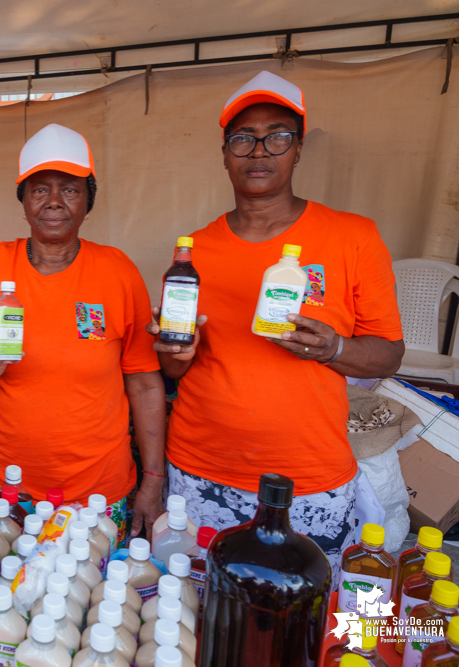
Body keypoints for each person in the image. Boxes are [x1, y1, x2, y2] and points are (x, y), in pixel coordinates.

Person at [147, 71, 404, 568]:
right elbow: (176, 371)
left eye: (277, 136)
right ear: (225, 155)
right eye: (243, 139)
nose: (259, 151)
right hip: (201, 469)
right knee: (201, 611)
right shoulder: (194, 250)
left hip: (309, 477)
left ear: (299, 148)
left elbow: (388, 353)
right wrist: (176, 354)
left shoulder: (353, 237)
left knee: (299, 624)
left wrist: (333, 349)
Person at [0, 124, 166, 545]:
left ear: (88, 200)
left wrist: (153, 480)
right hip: (7, 487)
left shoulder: (118, 271)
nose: (53, 202)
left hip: (100, 490)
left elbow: (143, 381)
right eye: (39, 189)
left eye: (69, 189)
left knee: (102, 602)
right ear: (23, 200)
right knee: (8, 599)